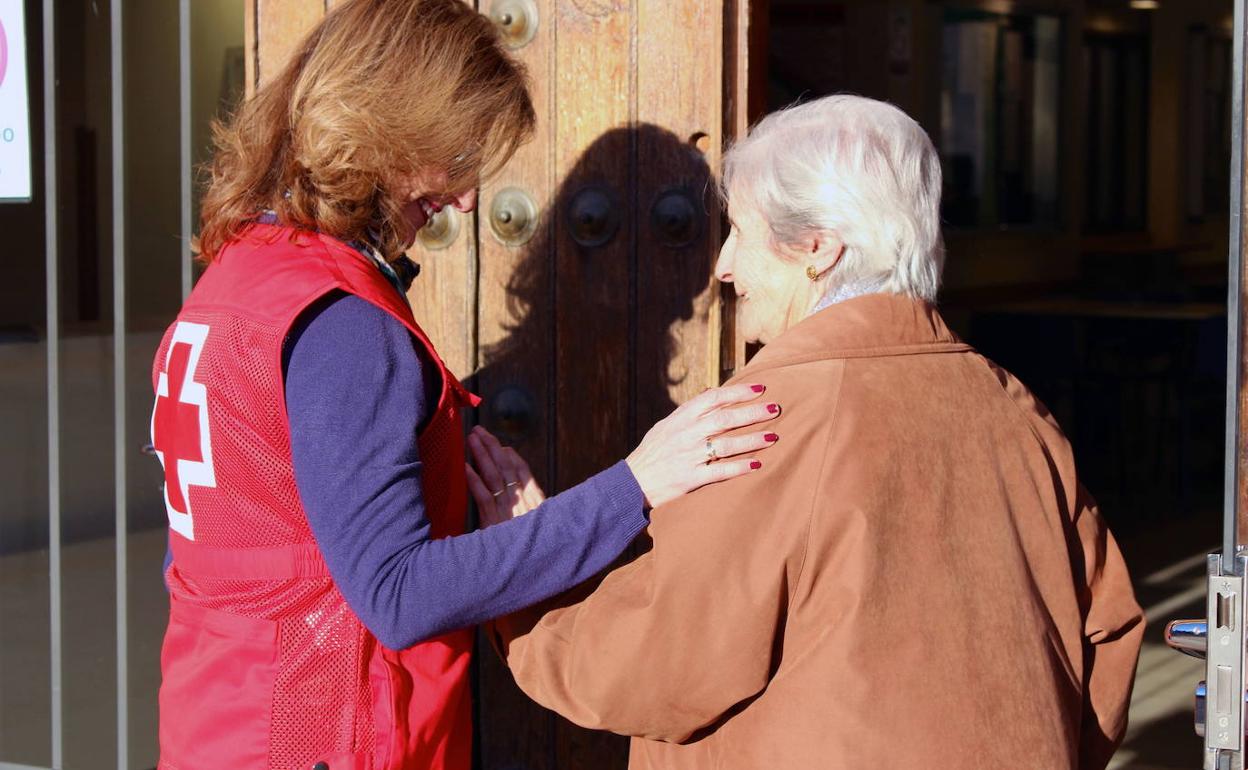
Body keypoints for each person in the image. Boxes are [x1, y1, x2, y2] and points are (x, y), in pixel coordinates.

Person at [149, 2, 779, 769]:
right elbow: (398, 593)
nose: (468, 197)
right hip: (327, 734)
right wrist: (635, 485)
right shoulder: (345, 325)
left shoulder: (239, 275)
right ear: (389, 127)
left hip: (222, 721)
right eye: (455, 154)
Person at [480, 94, 1145, 770]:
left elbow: (652, 664)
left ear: (819, 248)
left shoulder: (766, 419)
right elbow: (1109, 635)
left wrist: (529, 573)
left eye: (741, 230)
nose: (724, 266)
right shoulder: (1014, 409)